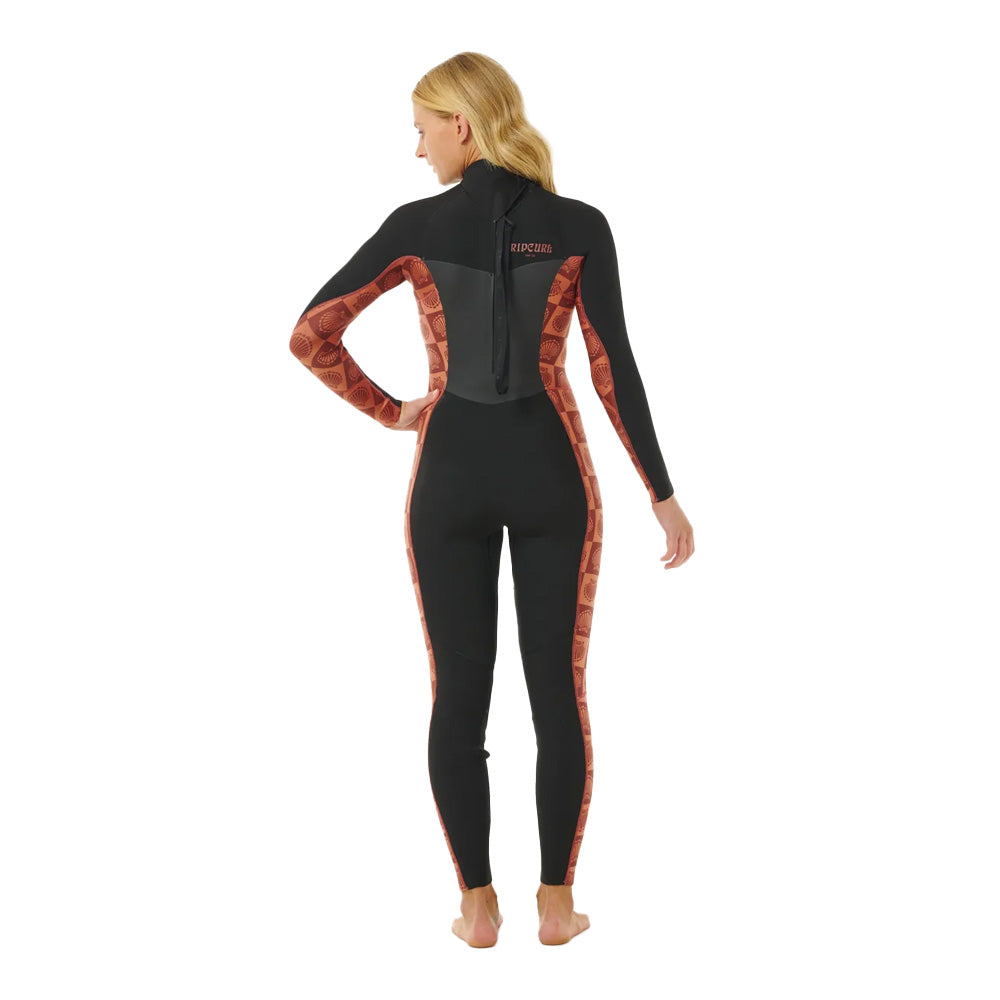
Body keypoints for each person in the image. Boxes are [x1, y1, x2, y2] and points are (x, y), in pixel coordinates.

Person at [288, 52, 695, 948]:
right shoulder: (580, 224)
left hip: (449, 482)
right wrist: (661, 493)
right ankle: (556, 904)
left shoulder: (415, 226)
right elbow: (612, 368)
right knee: (559, 694)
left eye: (422, 128)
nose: (418, 149)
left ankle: (477, 907)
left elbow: (311, 334)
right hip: (554, 478)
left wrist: (396, 410)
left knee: (457, 694)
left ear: (462, 125)